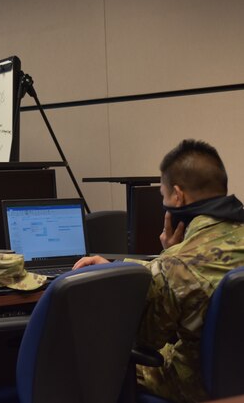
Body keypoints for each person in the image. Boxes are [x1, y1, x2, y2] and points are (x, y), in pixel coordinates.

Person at [73, 139, 244, 403]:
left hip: (195, 386)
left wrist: (168, 254)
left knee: (100, 362)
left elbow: (146, 339)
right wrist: (123, 267)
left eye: (163, 196)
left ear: (178, 196)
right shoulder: (181, 262)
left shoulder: (177, 265)